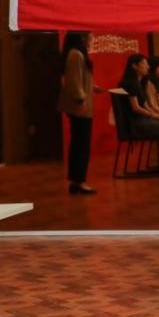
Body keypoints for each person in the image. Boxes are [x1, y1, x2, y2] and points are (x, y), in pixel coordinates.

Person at [58, 31, 100, 195]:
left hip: (80, 105)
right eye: (89, 36)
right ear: (81, 37)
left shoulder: (77, 54)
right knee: (81, 145)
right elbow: (74, 81)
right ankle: (80, 181)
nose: (91, 39)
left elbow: (80, 78)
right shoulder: (76, 54)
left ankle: (76, 181)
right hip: (80, 106)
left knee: (78, 143)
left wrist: (92, 87)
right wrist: (81, 100)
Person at [118, 54, 159, 139]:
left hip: (143, 120)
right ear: (134, 66)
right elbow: (136, 108)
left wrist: (158, 116)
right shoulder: (131, 83)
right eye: (144, 64)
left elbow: (145, 105)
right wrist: (156, 116)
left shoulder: (139, 83)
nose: (148, 67)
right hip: (137, 123)